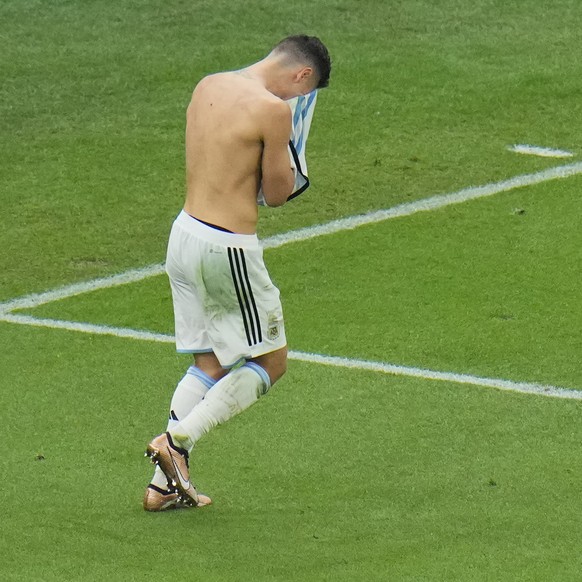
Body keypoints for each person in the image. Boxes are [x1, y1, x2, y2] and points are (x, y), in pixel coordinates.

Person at [143, 35, 332, 511]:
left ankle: (162, 486)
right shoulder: (273, 110)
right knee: (272, 361)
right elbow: (276, 193)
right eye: (300, 94)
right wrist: (292, 155)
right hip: (225, 248)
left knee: (208, 364)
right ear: (302, 75)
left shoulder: (209, 84)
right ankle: (177, 440)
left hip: (183, 235)